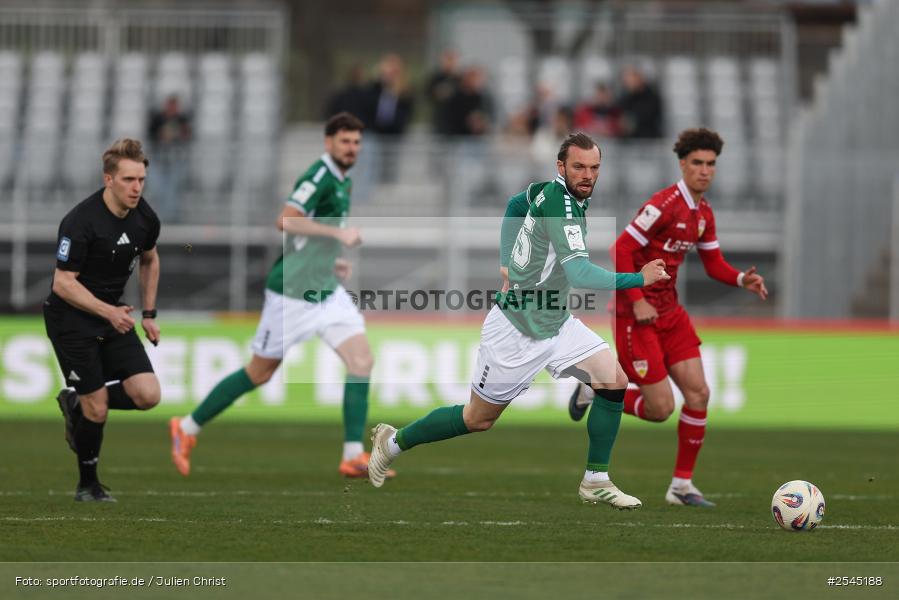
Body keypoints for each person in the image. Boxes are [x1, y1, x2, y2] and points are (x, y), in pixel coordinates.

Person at [366, 133, 670, 507]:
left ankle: (595, 479)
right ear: (561, 167)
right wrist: (641, 278)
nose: (587, 175)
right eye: (578, 167)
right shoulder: (562, 205)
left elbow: (514, 204)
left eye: (594, 168)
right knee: (477, 419)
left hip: (556, 320)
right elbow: (580, 275)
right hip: (517, 329)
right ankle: (393, 442)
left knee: (613, 379)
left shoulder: (548, 192)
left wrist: (508, 258)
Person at [169, 113, 393, 480]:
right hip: (292, 294)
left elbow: (307, 236)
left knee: (361, 360)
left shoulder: (343, 181)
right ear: (328, 143)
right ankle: (187, 427)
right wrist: (337, 237)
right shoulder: (319, 176)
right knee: (259, 372)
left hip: (324, 289)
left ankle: (352, 454)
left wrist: (329, 261)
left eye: (356, 143)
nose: (352, 149)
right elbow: (286, 220)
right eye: (345, 142)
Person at [567, 128, 768, 507]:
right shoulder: (663, 205)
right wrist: (638, 298)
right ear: (683, 164)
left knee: (699, 393)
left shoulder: (703, 213)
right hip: (635, 313)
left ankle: (681, 487)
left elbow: (713, 264)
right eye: (697, 163)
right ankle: (594, 389)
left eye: (711, 164)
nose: (705, 170)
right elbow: (620, 248)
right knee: (660, 409)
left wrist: (742, 278)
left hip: (670, 313)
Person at [45, 138, 162, 502]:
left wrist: (148, 314)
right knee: (98, 406)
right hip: (72, 320)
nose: (137, 188)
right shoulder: (81, 222)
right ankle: (87, 485)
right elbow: (63, 283)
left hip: (115, 316)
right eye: (129, 180)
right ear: (108, 179)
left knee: (147, 395)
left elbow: (150, 259)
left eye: (141, 179)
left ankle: (77, 402)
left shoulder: (145, 217)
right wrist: (109, 311)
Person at [147, 95, 191, 222]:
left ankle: (170, 219)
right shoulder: (157, 118)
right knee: (157, 190)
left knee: (173, 191)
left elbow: (187, 137)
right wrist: (162, 135)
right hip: (158, 160)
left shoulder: (182, 119)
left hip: (175, 161)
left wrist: (180, 134)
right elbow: (151, 136)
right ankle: (158, 218)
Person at [617, 66, 663, 139]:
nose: (629, 83)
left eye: (631, 80)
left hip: (649, 139)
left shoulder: (652, 97)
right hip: (629, 142)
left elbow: (649, 118)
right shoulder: (625, 97)